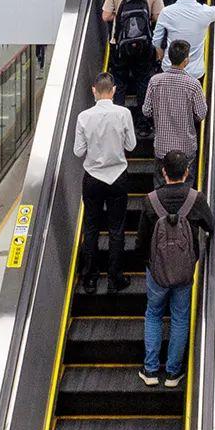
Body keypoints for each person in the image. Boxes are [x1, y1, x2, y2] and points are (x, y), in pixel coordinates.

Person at [137, 149, 214, 388]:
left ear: (163, 172)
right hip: (184, 271)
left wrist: (149, 265)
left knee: (153, 314)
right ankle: (173, 373)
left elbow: (141, 241)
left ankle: (150, 370)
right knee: (180, 318)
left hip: (157, 272)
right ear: (187, 172)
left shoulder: (150, 200)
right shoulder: (196, 199)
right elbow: (211, 226)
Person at [73, 71, 136, 295]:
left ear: (94, 90)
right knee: (116, 229)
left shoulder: (83, 117)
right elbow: (131, 146)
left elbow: (78, 151)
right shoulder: (124, 113)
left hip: (92, 178)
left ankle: (90, 279)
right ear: (114, 90)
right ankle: (114, 278)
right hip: (117, 177)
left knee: (91, 228)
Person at [102, 0, 164, 124]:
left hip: (119, 45)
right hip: (144, 45)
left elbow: (106, 16)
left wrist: (119, 16)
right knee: (143, 82)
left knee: (119, 83)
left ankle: (118, 121)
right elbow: (159, 17)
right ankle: (143, 123)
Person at [142, 40, 207, 186]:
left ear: (169, 57)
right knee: (185, 190)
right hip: (186, 148)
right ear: (186, 60)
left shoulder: (155, 81)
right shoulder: (193, 85)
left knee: (161, 188)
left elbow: (146, 110)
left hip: (162, 147)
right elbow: (201, 114)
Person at [153, 0, 215, 80]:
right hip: (194, 72)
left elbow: (156, 40)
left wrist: (162, 57)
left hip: (169, 68)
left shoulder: (166, 12)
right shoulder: (206, 12)